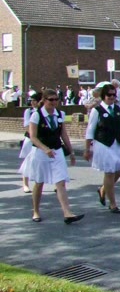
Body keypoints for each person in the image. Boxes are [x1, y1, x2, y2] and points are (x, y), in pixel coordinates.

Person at [23, 89, 82, 224]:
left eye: (56, 99)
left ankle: (67, 213)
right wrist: (45, 149)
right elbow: (33, 137)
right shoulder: (36, 115)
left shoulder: (60, 114)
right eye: (51, 100)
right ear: (44, 100)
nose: (54, 102)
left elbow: (63, 134)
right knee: (39, 182)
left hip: (57, 151)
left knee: (61, 182)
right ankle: (36, 211)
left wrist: (71, 152)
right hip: (40, 153)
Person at [84, 83, 120, 214]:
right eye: (109, 95)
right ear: (103, 96)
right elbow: (90, 131)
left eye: (114, 95)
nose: (112, 97)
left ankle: (103, 189)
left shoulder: (119, 109)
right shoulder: (97, 111)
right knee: (110, 172)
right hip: (103, 144)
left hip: (117, 144)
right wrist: (87, 149)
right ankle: (113, 204)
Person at [19, 92, 42, 193]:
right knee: (28, 161)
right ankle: (25, 184)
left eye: (34, 100)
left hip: (42, 140)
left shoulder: (43, 111)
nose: (32, 102)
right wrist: (34, 136)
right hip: (30, 139)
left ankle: (56, 184)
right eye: (31, 100)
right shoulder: (29, 111)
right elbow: (27, 126)